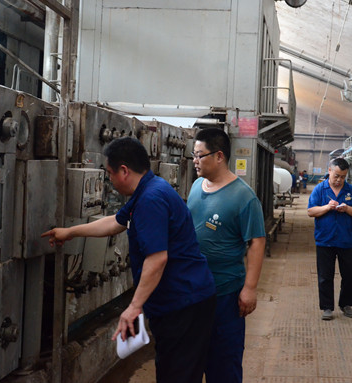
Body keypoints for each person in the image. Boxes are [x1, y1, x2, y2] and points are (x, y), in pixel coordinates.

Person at [42, 137, 216, 383]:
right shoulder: (148, 189)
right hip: (182, 301)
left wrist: (134, 307)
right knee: (173, 370)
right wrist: (70, 232)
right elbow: (116, 222)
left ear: (124, 171)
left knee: (178, 374)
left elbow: (157, 259)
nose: (110, 181)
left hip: (184, 304)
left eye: (110, 173)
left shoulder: (150, 199)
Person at [186, 128, 266, 383]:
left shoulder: (244, 197)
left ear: (219, 156)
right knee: (191, 361)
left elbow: (256, 242)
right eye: (193, 155)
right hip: (192, 292)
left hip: (225, 295)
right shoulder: (196, 186)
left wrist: (250, 288)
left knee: (223, 365)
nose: (195, 161)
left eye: (200, 155)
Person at [307, 157, 352, 320]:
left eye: (343, 177)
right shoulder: (320, 189)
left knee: (350, 275)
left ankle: (346, 304)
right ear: (329, 171)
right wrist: (327, 207)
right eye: (336, 175)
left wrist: (347, 209)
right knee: (325, 275)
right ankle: (327, 307)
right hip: (325, 240)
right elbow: (310, 211)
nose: (339, 180)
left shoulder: (351, 191)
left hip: (346, 241)